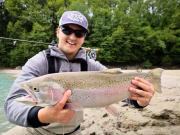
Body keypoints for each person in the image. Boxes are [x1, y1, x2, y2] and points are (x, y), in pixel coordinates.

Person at [4, 11, 155, 135]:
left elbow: (115, 89)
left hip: (73, 132)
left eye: (79, 33)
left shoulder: (91, 65)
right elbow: (11, 106)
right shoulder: (38, 62)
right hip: (35, 131)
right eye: (67, 30)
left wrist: (138, 100)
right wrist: (43, 115)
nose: (72, 37)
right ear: (57, 31)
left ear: (84, 38)